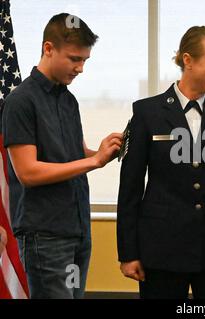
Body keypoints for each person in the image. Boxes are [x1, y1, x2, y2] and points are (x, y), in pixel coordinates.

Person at [117, 26, 205, 299]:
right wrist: (128, 252)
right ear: (188, 60)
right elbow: (130, 187)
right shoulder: (147, 112)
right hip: (160, 251)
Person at [1, 13, 122, 299]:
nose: (80, 68)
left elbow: (74, 156)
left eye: (84, 61)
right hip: (45, 235)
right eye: (73, 59)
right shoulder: (20, 101)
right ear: (48, 48)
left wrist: (103, 151)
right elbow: (27, 173)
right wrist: (94, 161)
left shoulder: (68, 99)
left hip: (77, 230)